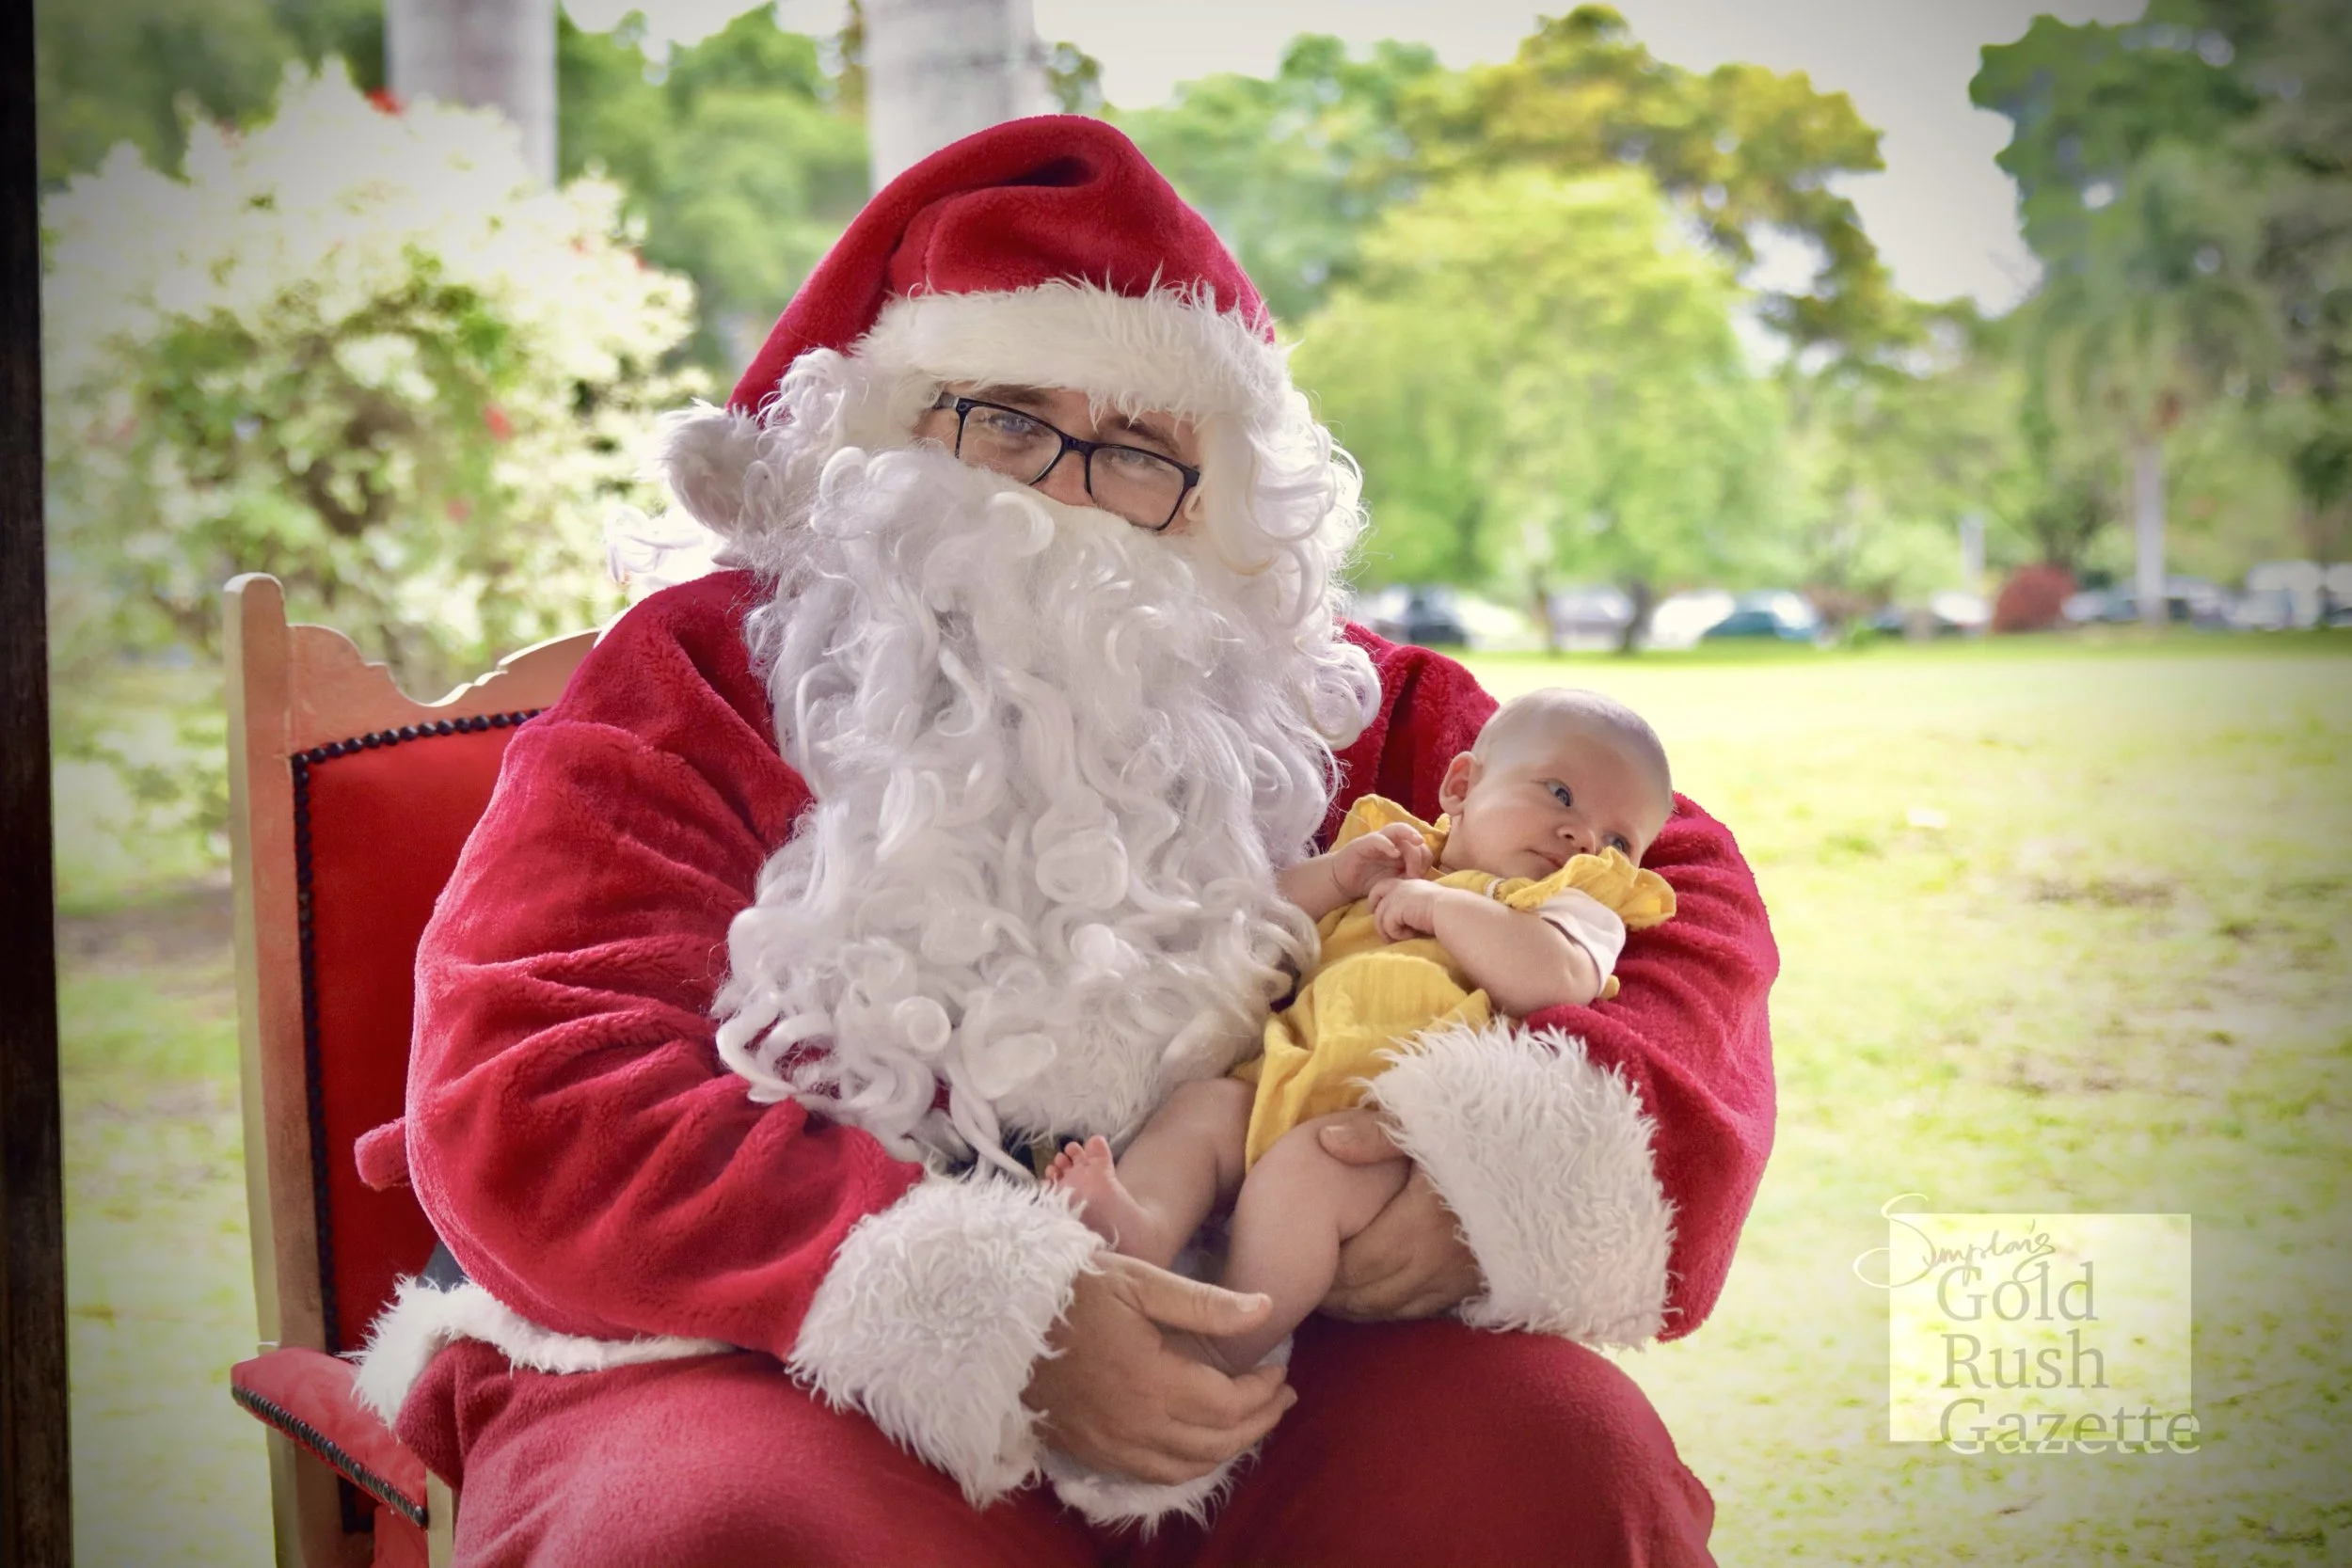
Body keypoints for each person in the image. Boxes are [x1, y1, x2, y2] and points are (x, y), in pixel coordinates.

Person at [347, 116, 1778, 1566]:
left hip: (1249, 1337)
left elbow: (1676, 889)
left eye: (1142, 447)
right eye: (1012, 419)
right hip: (768, 1346)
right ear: (886, 431)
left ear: (1219, 499)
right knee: (720, 1531)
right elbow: (531, 1071)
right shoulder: (707, 673)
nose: (1071, 491)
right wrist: (993, 1311)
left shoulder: (1311, 694)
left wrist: (1465, 1186)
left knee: (1550, 1462)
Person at [1045, 689, 1679, 1379]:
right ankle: (1139, 1226)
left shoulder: (1567, 912)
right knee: (1200, 1108)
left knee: (1305, 1173)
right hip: (1279, 1074)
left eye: (1619, 841)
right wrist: (1338, 875)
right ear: (1462, 786)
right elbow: (1263, 920)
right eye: (1560, 793)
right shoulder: (1389, 853)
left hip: (1374, 1126)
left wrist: (1444, 907)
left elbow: (1553, 979)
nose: (1583, 839)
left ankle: (1224, 1336)